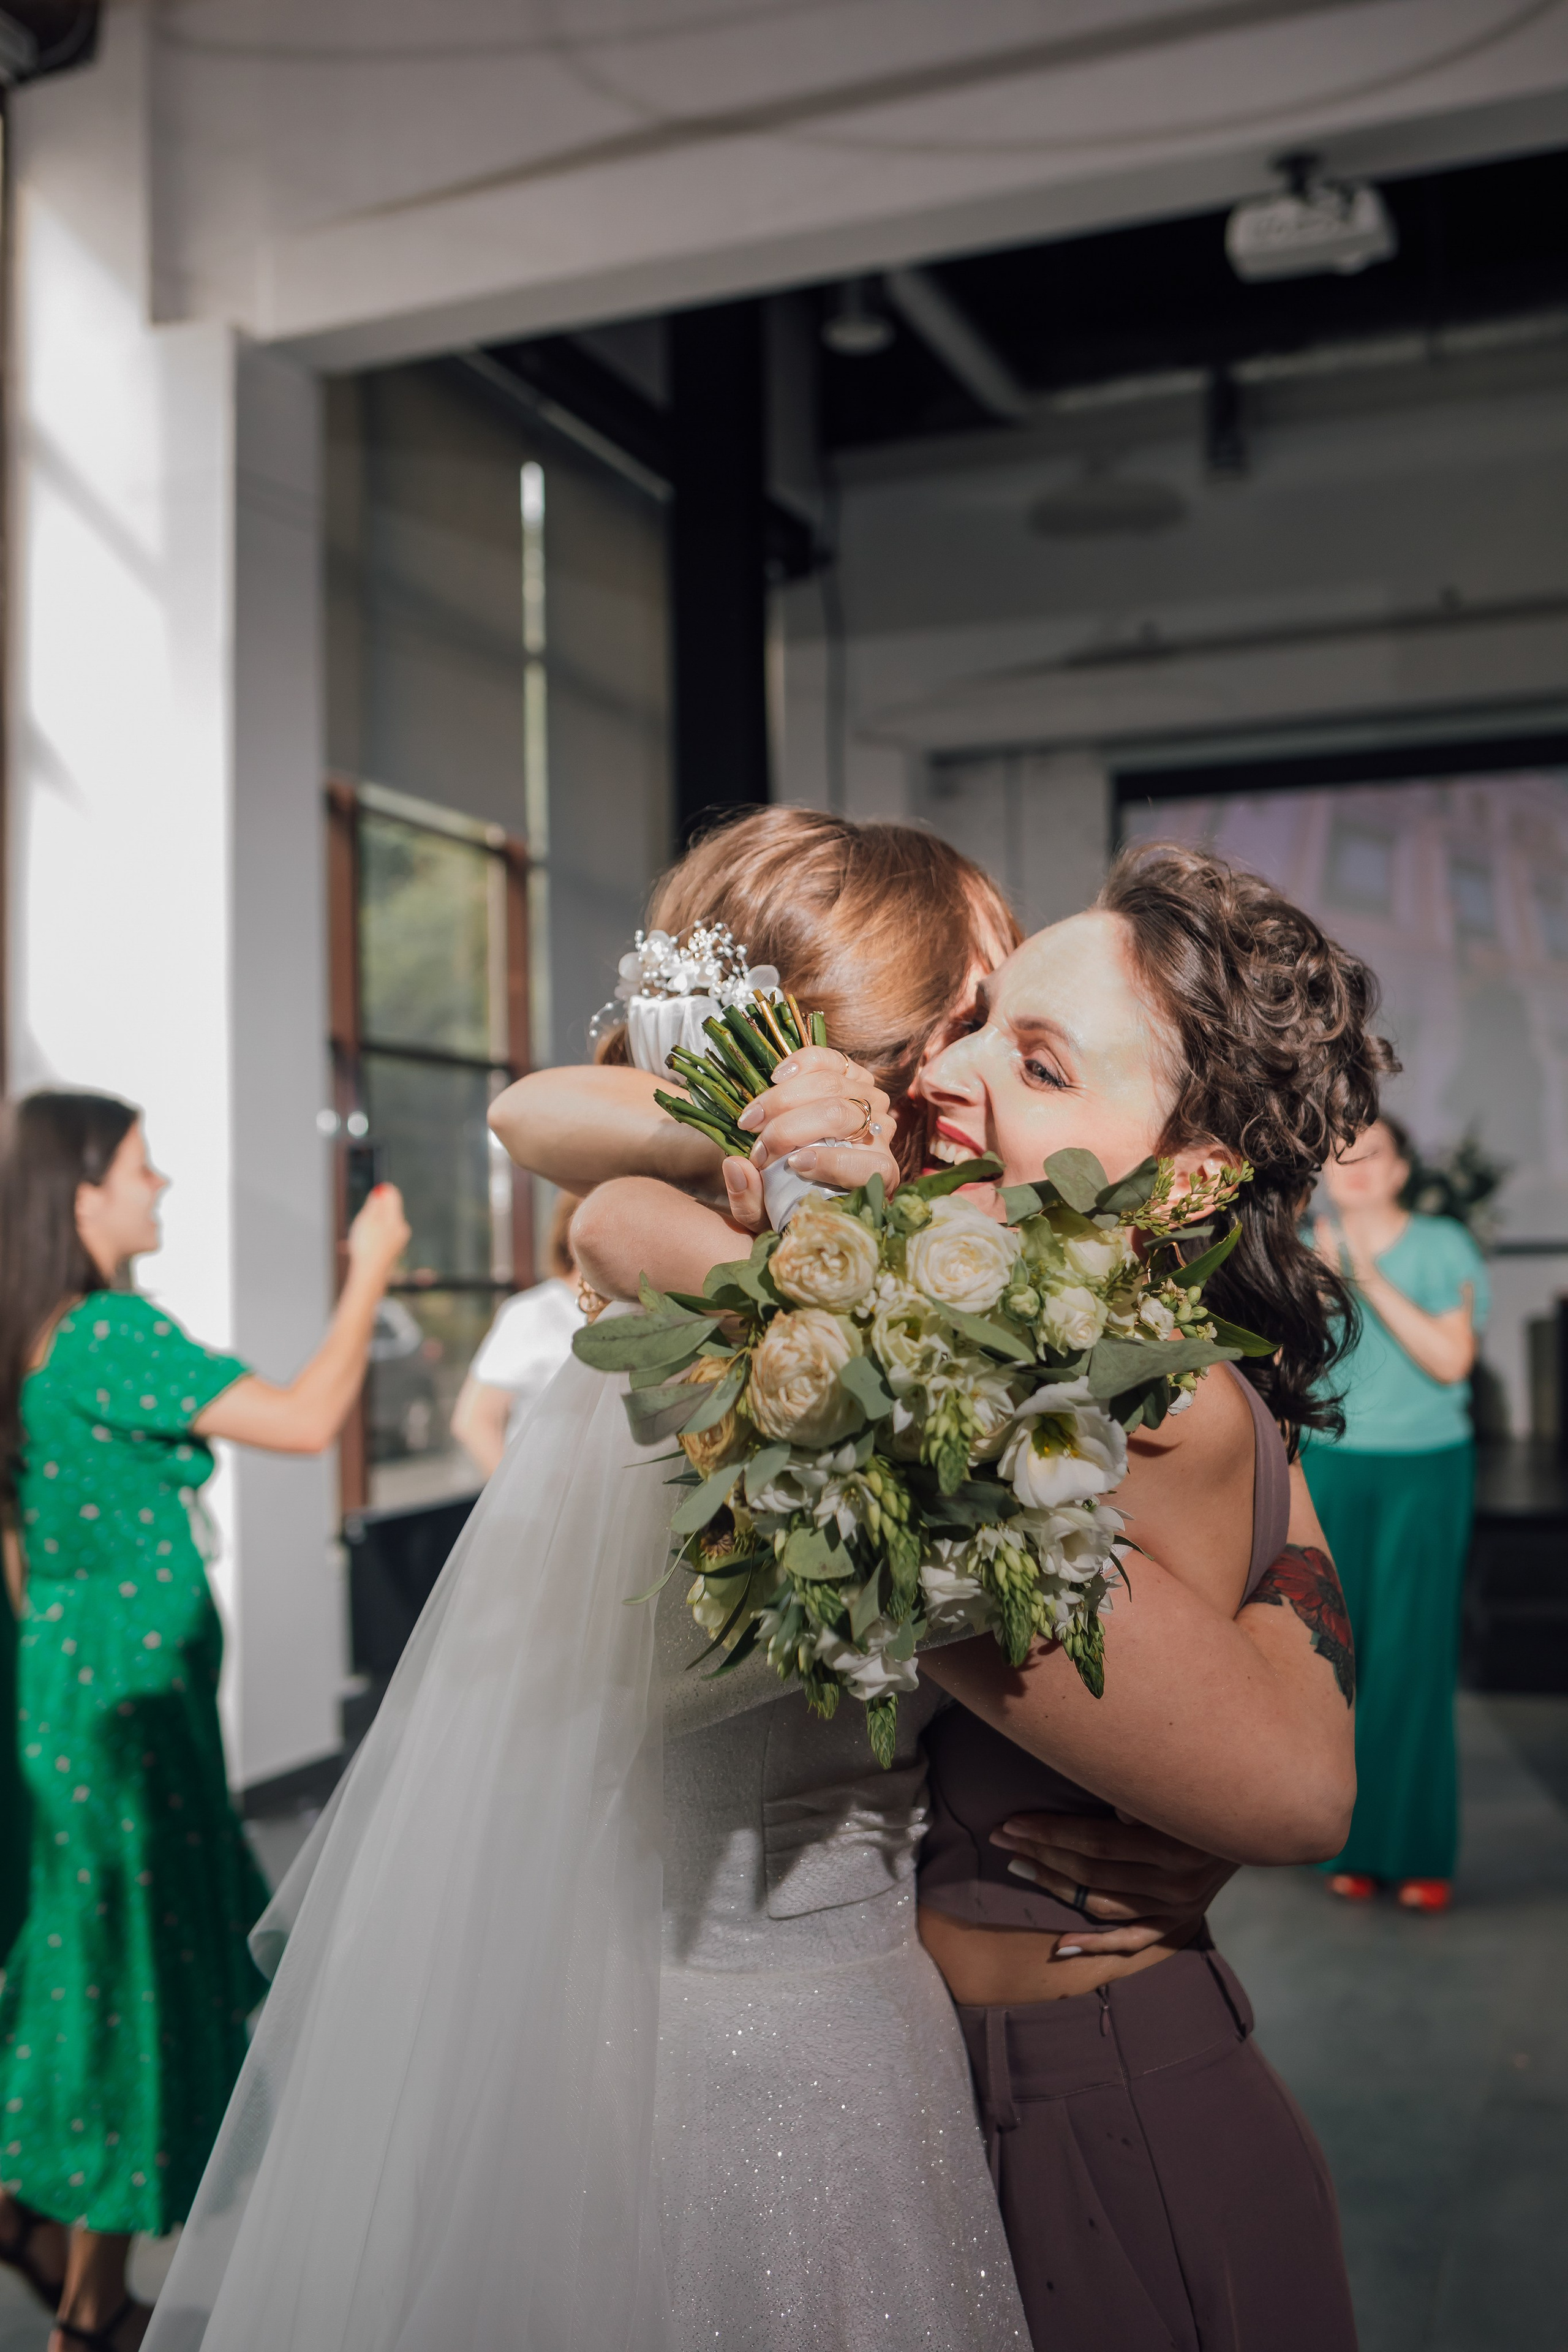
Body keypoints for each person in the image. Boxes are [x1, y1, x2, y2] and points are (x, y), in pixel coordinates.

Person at [146, 819, 1357, 2352]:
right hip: (804, 2053)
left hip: (901, 2056)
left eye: (1023, 1052)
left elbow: (1290, 1758)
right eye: (964, 1028)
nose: (950, 1077)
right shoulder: (810, 1324)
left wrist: (1186, 1813)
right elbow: (570, 1145)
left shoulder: (1059, 1355)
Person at [0, 1091, 408, 2352]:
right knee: (123, 1972)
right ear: (79, 1195)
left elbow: (20, 1544)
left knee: (91, 1966)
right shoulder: (110, 1331)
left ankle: (70, 2256)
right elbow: (298, 1418)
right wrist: (369, 1273)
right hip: (125, 1710)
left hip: (75, 1689)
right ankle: (85, 2311)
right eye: (139, 1166)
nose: (161, 1184)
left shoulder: (41, 1335)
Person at [1305, 1114, 1487, 1913]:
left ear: (1402, 1170)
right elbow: (1287, 1368)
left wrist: (1366, 1277)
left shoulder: (1442, 1243)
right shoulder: (1300, 1247)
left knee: (1412, 1662)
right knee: (1336, 1667)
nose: (1353, 1166)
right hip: (1330, 1467)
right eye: (1338, 1153)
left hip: (1423, 1470)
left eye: (1371, 1152)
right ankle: (1349, 1842)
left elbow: (1452, 1361)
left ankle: (1414, 1851)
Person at [450, 1194, 585, 1480]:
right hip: (545, 1500)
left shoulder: (644, 1312)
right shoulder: (533, 1313)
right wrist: (517, 1503)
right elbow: (474, 1420)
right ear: (571, 1231)